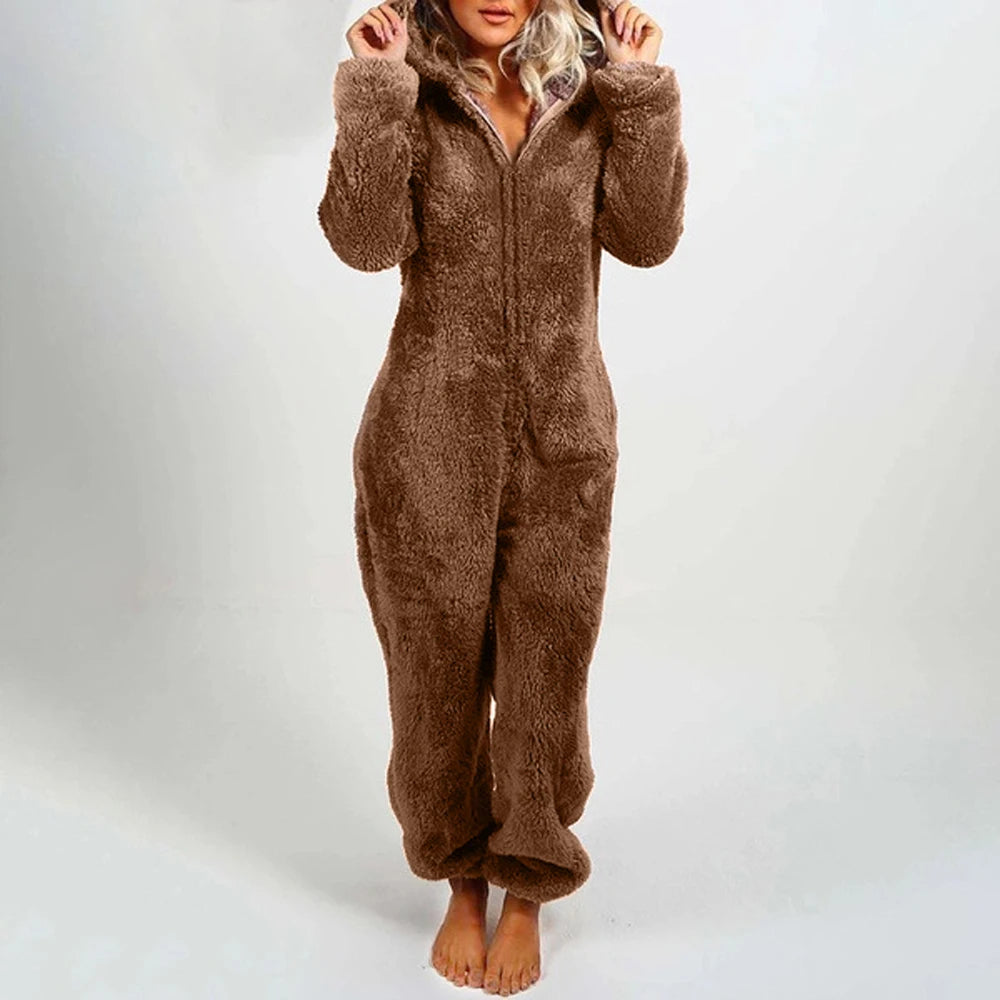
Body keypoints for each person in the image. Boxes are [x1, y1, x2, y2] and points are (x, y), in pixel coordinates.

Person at [317, 0, 687, 992]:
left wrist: (639, 92)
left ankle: (526, 882)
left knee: (545, 674)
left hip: (565, 441)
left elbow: (647, 237)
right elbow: (363, 241)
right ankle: (461, 875)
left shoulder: (589, 93)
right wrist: (378, 90)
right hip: (426, 439)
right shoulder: (416, 94)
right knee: (433, 675)